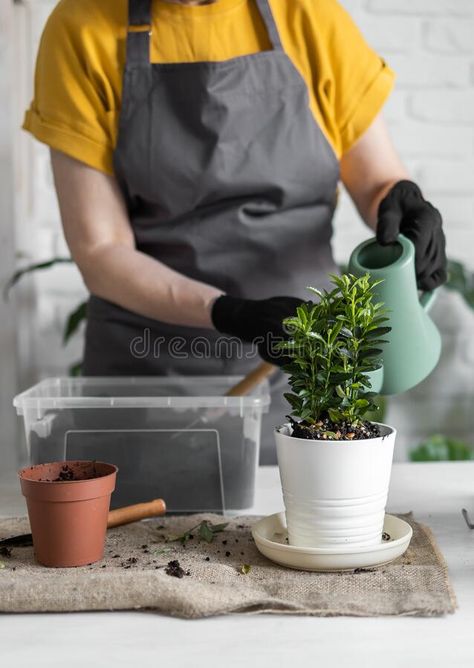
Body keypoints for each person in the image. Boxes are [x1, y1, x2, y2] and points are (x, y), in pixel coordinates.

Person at [24, 0, 446, 462]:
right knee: (139, 533)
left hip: (302, 367)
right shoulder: (81, 28)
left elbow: (375, 179)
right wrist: (229, 312)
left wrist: (399, 199)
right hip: (148, 376)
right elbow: (100, 249)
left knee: (299, 522)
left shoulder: (308, 15)